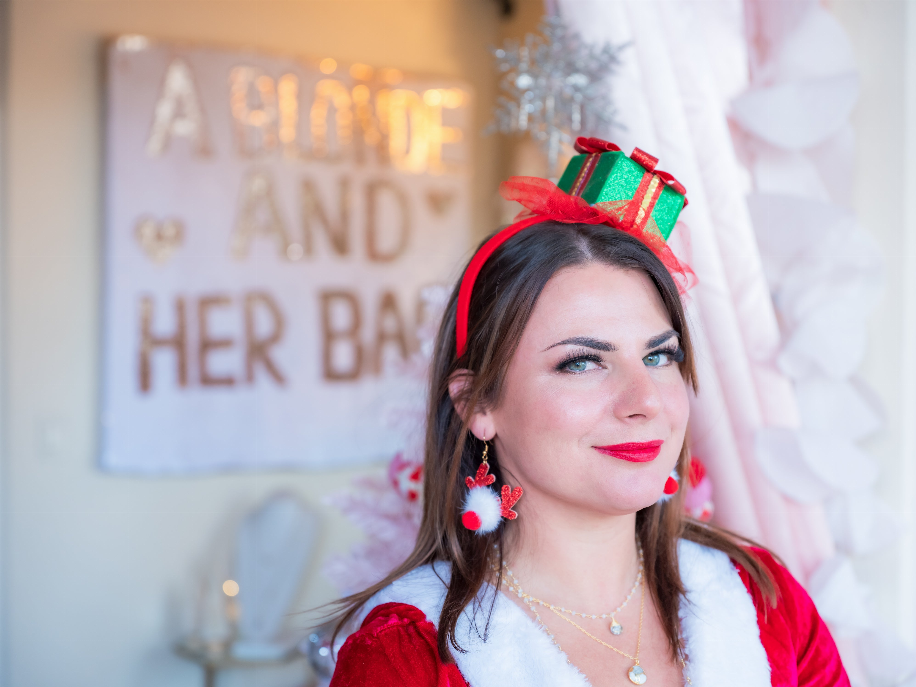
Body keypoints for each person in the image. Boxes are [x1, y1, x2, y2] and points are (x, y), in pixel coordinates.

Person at [327, 138, 850, 687]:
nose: (644, 401)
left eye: (660, 355)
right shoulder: (405, 656)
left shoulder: (764, 602)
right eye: (581, 363)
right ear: (478, 405)